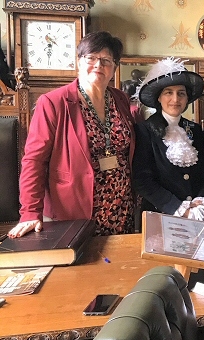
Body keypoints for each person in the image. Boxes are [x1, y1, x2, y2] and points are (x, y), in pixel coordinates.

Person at [8, 31, 137, 238]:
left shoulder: (120, 99)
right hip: (74, 210)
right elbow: (34, 161)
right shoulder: (53, 103)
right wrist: (30, 211)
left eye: (106, 60)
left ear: (115, 67)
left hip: (121, 207)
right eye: (91, 58)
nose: (98, 65)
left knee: (116, 267)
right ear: (79, 61)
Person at [132, 57, 204, 220]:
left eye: (181, 93)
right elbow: (142, 180)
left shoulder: (195, 130)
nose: (175, 99)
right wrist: (178, 208)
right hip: (159, 214)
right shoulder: (144, 131)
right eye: (169, 92)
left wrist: (200, 201)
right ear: (159, 98)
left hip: (196, 215)